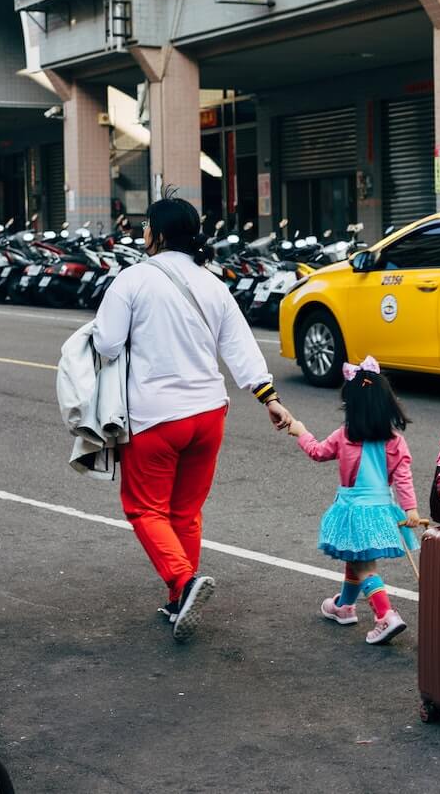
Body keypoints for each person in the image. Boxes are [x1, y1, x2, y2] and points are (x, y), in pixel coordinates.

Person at [93, 195, 293, 643]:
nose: (143, 234)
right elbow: (239, 346)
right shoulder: (211, 283)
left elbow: (105, 343)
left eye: (146, 227)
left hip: (155, 417)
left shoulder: (133, 280)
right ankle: (179, 597)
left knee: (145, 508)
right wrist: (269, 398)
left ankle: (184, 584)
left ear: (158, 234)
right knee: (185, 511)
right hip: (208, 415)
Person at [287, 356, 421, 645]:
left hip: (353, 510)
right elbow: (403, 477)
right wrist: (410, 509)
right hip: (381, 510)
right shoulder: (395, 441)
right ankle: (344, 607)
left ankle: (385, 615)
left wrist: (301, 432)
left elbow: (317, 452)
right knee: (356, 557)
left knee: (364, 567)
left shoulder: (344, 436)